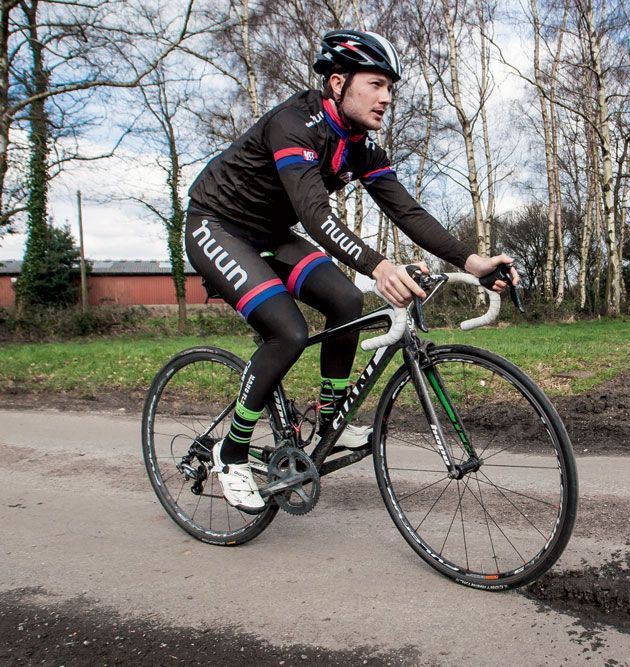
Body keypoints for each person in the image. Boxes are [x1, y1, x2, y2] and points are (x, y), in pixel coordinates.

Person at [185, 29, 517, 513]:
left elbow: (408, 211)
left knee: (346, 301)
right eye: (377, 84)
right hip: (218, 226)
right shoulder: (293, 124)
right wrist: (377, 265)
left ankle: (327, 418)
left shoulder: (360, 146)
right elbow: (316, 214)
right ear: (337, 82)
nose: (386, 98)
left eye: (391, 88)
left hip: (271, 235)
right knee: (288, 331)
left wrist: (474, 261)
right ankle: (231, 452)